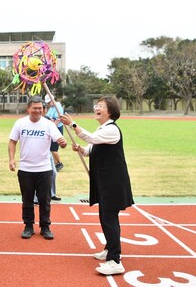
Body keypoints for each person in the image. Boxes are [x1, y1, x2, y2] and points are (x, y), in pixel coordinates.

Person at [60, 96, 134, 276]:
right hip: (103, 181)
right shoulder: (103, 129)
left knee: (109, 218)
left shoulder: (112, 130)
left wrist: (72, 124)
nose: (97, 108)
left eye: (101, 106)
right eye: (97, 105)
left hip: (113, 182)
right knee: (104, 216)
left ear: (111, 111)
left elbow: (91, 138)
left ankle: (115, 260)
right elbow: (90, 149)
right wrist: (81, 150)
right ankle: (109, 249)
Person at [8, 95, 67, 241]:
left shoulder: (48, 124)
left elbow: (60, 141)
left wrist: (63, 142)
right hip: (26, 169)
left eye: (40, 108)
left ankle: (45, 226)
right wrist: (11, 159)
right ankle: (28, 226)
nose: (37, 111)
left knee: (45, 200)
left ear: (43, 109)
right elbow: (12, 141)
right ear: (28, 108)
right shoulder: (20, 123)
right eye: (34, 108)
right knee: (27, 200)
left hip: (44, 169)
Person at [45, 94, 65, 171]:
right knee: (50, 148)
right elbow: (48, 116)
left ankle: (59, 163)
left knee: (53, 148)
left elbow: (58, 119)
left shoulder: (58, 107)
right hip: (52, 127)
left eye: (49, 102)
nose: (49, 104)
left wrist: (52, 126)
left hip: (56, 129)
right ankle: (55, 163)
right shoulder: (51, 108)